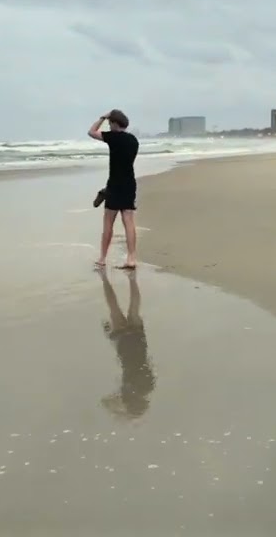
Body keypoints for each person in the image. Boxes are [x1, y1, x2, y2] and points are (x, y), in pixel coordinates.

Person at [99, 269, 154, 419]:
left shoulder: (149, 385)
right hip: (122, 343)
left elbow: (148, 363)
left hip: (138, 342)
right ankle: (104, 279)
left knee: (134, 309)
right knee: (114, 307)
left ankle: (132, 278)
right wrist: (123, 415)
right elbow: (105, 402)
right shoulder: (127, 389)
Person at [88, 109, 139, 269]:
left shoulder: (113, 137)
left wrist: (102, 117)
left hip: (115, 184)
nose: (109, 126)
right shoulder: (133, 140)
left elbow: (91, 132)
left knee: (108, 222)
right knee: (129, 222)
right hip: (129, 184)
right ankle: (131, 258)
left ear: (115, 123)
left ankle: (103, 258)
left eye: (110, 123)